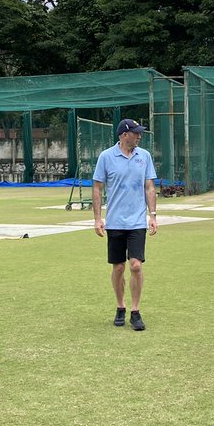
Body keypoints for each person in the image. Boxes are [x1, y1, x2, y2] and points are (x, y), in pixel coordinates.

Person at [93, 119, 158, 332]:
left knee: (136, 265)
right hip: (115, 221)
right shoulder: (106, 157)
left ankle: (135, 311)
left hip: (137, 221)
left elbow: (149, 187)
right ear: (124, 135)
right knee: (119, 267)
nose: (139, 136)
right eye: (136, 133)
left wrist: (153, 215)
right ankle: (120, 306)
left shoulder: (144, 156)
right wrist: (97, 218)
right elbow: (97, 188)